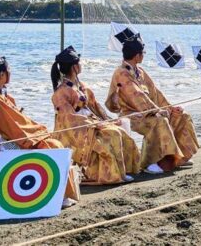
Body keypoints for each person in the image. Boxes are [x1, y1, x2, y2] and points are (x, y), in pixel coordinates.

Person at [0, 52, 80, 207]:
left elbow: (16, 122)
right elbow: (14, 128)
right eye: (9, 70)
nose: (10, 73)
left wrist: (38, 132)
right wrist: (37, 135)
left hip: (7, 136)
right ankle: (59, 197)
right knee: (52, 147)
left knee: (54, 144)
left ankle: (62, 194)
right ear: (2, 74)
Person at [105, 30, 199, 174]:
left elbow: (155, 93)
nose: (143, 55)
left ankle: (179, 157)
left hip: (149, 111)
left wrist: (170, 108)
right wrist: (157, 110)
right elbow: (137, 96)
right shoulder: (121, 73)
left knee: (182, 116)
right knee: (159, 121)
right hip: (131, 115)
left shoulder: (140, 71)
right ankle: (151, 162)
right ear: (137, 55)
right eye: (143, 53)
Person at [51, 46, 140, 185]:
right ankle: (110, 174)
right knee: (113, 133)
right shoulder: (61, 92)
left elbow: (95, 106)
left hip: (91, 122)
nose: (81, 65)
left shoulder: (81, 85)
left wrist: (107, 119)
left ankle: (123, 171)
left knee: (119, 128)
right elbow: (69, 118)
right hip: (78, 130)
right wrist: (96, 124)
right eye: (79, 63)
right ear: (74, 67)